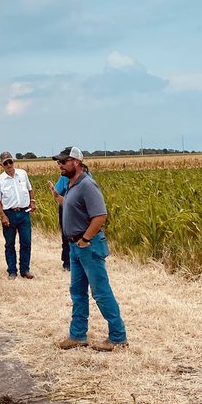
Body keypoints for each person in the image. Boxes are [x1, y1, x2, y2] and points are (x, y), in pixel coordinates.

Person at [53, 146, 128, 352]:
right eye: (59, 162)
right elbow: (72, 206)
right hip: (75, 247)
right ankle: (78, 335)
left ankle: (118, 337)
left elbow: (100, 215)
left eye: (63, 161)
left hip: (88, 246)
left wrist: (85, 239)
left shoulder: (87, 185)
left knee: (101, 292)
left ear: (76, 162)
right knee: (77, 292)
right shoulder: (71, 185)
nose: (59, 165)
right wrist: (58, 199)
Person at [0, 150, 34, 279]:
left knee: (26, 242)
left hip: (24, 213)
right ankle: (12, 271)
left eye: (10, 162)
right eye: (6, 163)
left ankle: (25, 270)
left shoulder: (23, 174)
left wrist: (32, 202)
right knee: (10, 244)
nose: (9, 165)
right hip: (9, 214)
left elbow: (30, 189)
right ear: (1, 165)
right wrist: (3, 216)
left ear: (13, 161)